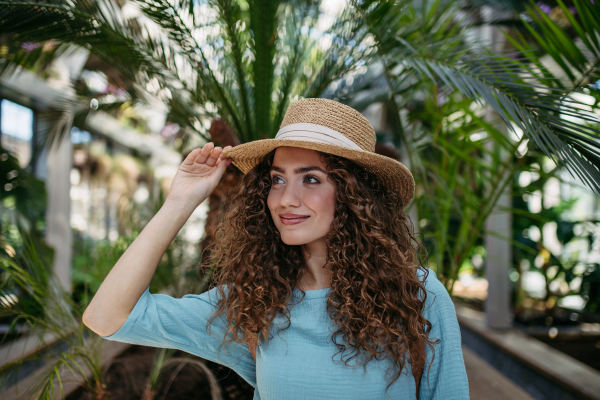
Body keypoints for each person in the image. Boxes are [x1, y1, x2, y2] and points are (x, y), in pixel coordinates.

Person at [83, 98, 469, 399]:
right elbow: (107, 318)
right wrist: (180, 202)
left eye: (312, 179)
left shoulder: (416, 297)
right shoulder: (256, 303)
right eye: (277, 180)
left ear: (355, 195)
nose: (286, 199)